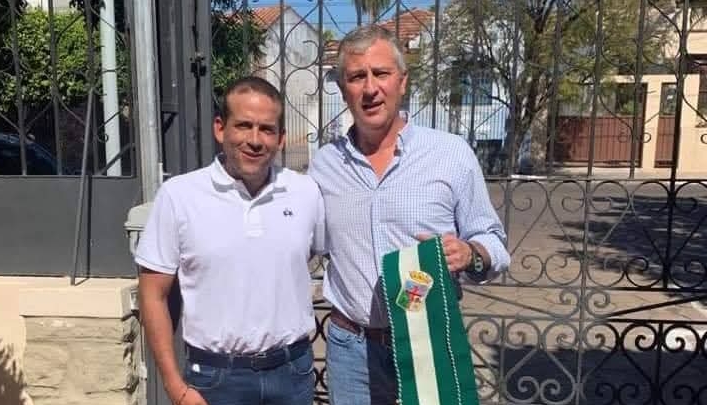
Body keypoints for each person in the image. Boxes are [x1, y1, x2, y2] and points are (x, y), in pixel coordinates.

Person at [308, 25, 511, 404]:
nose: (370, 88)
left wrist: (470, 254)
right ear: (343, 89)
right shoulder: (324, 165)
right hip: (351, 350)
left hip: (428, 342)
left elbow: (494, 243)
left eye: (381, 73)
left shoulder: (450, 154)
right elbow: (302, 243)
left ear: (402, 82)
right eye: (357, 77)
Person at [136, 76, 324, 405]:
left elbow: (309, 256)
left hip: (292, 373)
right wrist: (174, 387)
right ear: (220, 128)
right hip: (216, 377)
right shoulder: (179, 196)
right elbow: (153, 294)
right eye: (244, 125)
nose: (255, 140)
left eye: (267, 129)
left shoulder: (304, 192)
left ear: (281, 139)